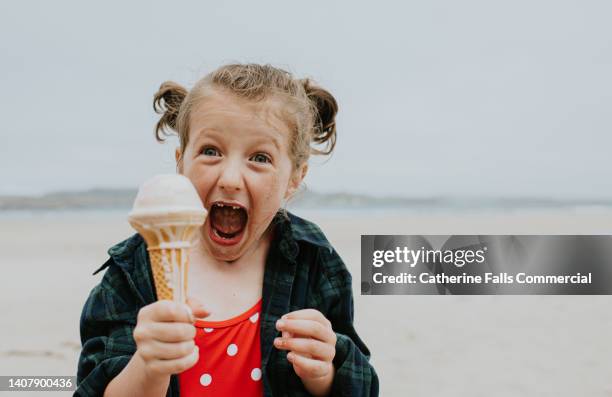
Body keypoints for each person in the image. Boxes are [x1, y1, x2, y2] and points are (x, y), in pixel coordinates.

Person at [75, 63, 379, 397]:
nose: (231, 179)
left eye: (260, 158)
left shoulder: (314, 260)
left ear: (295, 177)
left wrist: (324, 372)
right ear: (181, 161)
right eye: (210, 151)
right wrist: (148, 364)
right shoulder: (133, 271)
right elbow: (94, 387)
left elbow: (360, 385)